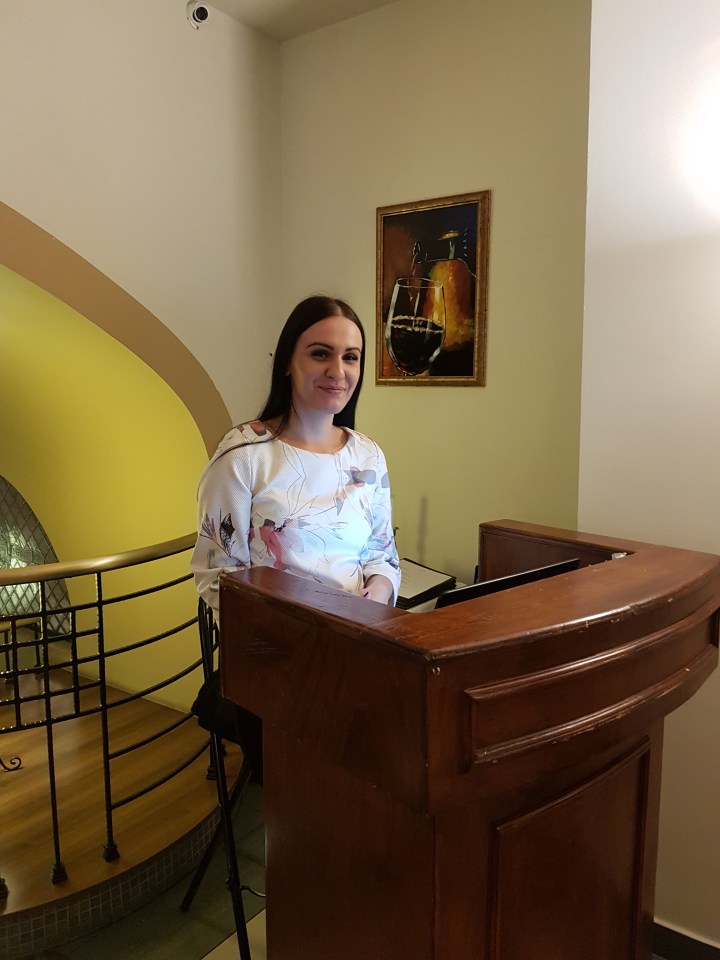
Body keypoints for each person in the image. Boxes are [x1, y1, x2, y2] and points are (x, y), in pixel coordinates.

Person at [190, 294, 401, 615]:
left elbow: (383, 556)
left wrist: (379, 591)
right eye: (320, 354)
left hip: (360, 631)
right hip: (276, 637)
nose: (338, 371)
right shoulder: (243, 454)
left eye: (350, 357)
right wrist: (305, 628)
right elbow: (218, 577)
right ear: (287, 361)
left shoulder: (368, 455)